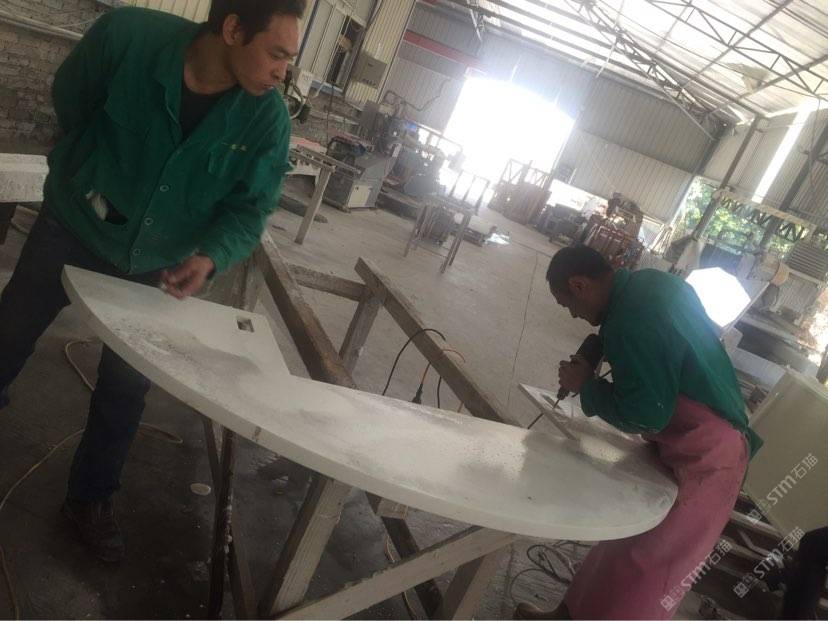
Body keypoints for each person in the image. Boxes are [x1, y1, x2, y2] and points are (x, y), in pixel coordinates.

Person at [0, 0, 303, 562]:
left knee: (126, 386)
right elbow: (72, 99)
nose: (283, 72)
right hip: (73, 223)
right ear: (232, 29)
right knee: (10, 329)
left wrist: (210, 256)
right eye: (276, 54)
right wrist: (88, 169)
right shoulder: (128, 39)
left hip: (155, 261)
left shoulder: (266, 121)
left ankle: (90, 498)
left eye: (289, 59)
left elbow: (251, 209)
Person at [515, 245, 762, 620]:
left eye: (568, 305)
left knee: (651, 565)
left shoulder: (631, 322)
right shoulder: (651, 285)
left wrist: (589, 388)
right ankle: (567, 615)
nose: (574, 316)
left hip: (710, 458)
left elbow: (647, 415)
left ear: (579, 285)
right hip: (686, 441)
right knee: (621, 535)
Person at [781, 526, 828, 619]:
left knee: (793, 611)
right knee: (796, 612)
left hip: (807, 568)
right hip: (810, 570)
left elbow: (808, 538)